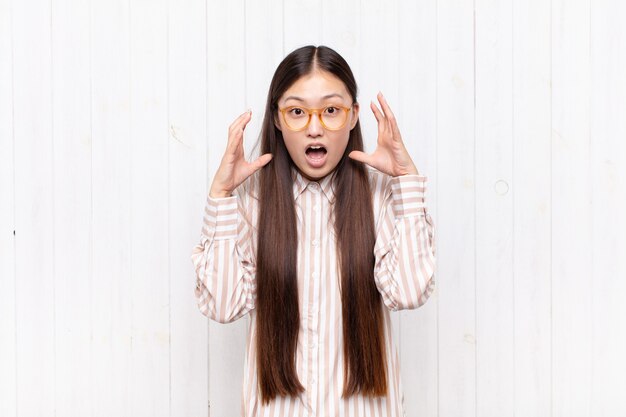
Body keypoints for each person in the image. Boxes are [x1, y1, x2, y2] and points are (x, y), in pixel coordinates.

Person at [191, 45, 436, 417]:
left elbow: (409, 291)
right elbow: (224, 306)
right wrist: (222, 194)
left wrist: (405, 181)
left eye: (331, 110)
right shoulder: (250, 201)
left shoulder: (382, 196)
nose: (315, 127)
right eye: (297, 112)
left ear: (354, 116)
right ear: (277, 119)